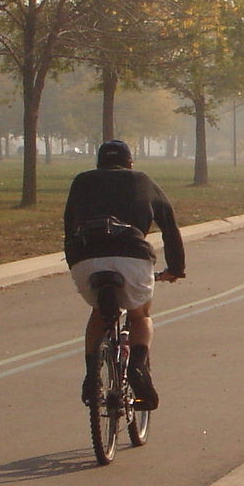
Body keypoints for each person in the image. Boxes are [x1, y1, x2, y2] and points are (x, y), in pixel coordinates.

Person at [63, 140, 185, 410]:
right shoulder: (142, 180)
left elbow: (69, 226)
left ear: (98, 164)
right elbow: (170, 228)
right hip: (132, 256)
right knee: (140, 314)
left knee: (98, 312)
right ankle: (138, 367)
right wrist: (175, 268)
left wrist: (74, 262)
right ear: (130, 163)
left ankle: (92, 377)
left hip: (86, 258)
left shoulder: (82, 182)